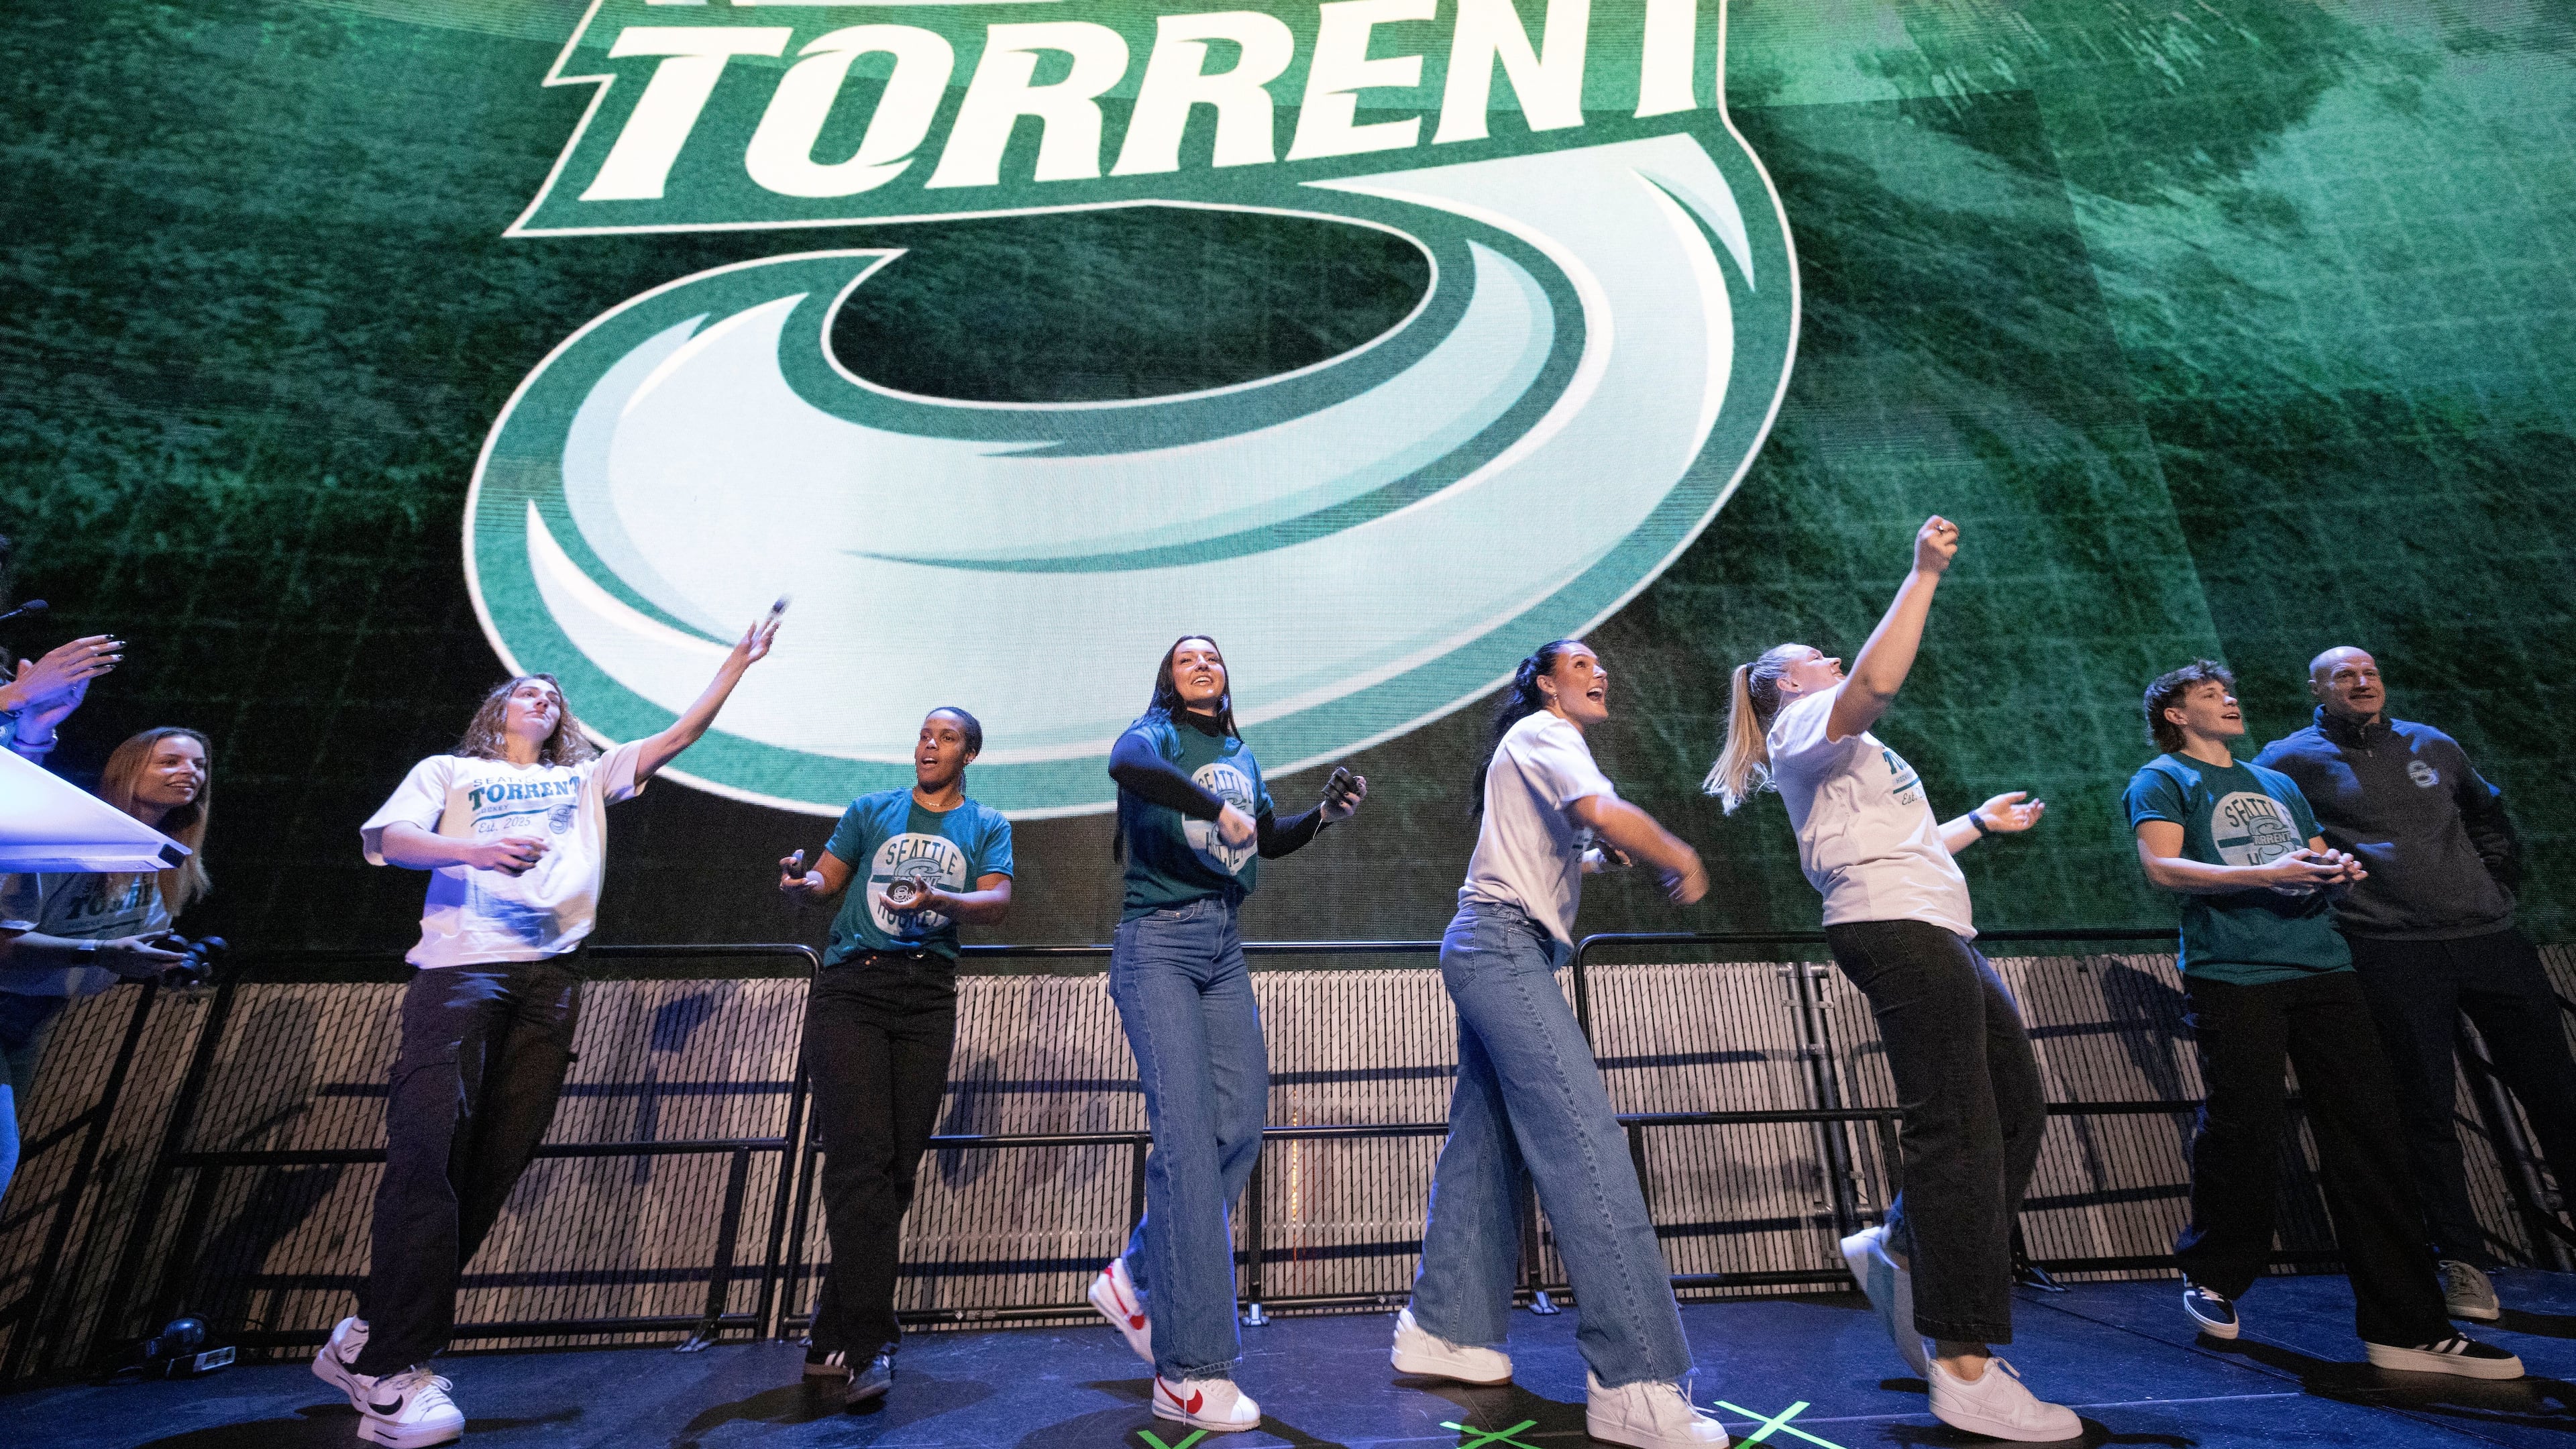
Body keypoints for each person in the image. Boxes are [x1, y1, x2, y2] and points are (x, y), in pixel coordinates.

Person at [311, 615, 778, 1449]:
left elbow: (680, 735)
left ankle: (372, 1332)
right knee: (430, 1151)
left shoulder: (585, 781)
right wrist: (477, 856)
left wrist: (736, 664)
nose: (543, 698)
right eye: (528, 689)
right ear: (497, 712)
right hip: (462, 971)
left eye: (554, 697)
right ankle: (390, 1377)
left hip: (552, 980)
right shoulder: (450, 771)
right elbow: (389, 840)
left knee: (495, 1161)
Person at [1709, 516, 2075, 1442]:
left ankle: (1901, 1244)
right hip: (1897, 932)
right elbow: (1875, 681)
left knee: (2016, 1109)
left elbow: (1890, 843)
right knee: (1957, 1127)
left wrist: (1975, 825)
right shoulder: (1803, 720)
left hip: (1932, 923)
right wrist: (1921, 574)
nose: (1829, 658)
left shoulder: (1849, 757)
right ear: (1785, 683)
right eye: (1812, 656)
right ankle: (1962, 1362)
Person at [2124, 659, 2521, 1379]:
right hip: (2235, 973)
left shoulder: (2277, 784)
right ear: (2177, 716)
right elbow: (2165, 868)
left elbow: (2307, 853)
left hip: (2326, 967)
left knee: (2373, 1136)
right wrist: (2266, 875)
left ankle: (2409, 1326)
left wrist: (2335, 867)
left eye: (2229, 692)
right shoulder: (2165, 778)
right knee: (2246, 1123)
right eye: (2211, 696)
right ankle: (2212, 1271)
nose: (2230, 701)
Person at [1399, 639, 1725, 1449]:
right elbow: (1600, 811)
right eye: (1582, 666)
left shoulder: (1534, 745)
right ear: (1546, 686)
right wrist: (1676, 851)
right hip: (1501, 949)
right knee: (1585, 1144)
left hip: (1495, 944)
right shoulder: (1549, 733)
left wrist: (1594, 857)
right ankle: (1636, 1380)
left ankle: (1443, 1329)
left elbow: (1567, 838)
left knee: (1485, 1148)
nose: (1600, 673)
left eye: (1600, 664)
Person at [1085, 635, 1364, 1436]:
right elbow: (1123, 766)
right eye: (1185, 658)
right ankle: (1190, 1372)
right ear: (1169, 680)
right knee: (1184, 1141)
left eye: (1212, 656)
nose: (1202, 663)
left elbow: (1265, 836)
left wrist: (1323, 816)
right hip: (1159, 945)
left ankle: (1136, 1277)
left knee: (1238, 1129)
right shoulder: (1157, 738)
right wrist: (1214, 807)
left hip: (1223, 944)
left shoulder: (1239, 751)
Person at [2255, 646, 2575, 1321]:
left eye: (2370, 673)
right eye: (2346, 676)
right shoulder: (2289, 758)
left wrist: (2493, 884)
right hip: (2392, 952)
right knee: (2425, 1112)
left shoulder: (2434, 744)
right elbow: (2263, 835)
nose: (2363, 683)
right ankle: (2463, 1265)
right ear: (2317, 688)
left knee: (2558, 1096)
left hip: (2490, 943)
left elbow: (2488, 816)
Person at [776, 707, 1013, 1405]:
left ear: (969, 752)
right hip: (853, 990)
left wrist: (944, 897)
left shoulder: (985, 825)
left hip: (928, 997)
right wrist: (801, 881)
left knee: (896, 1171)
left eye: (943, 738)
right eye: (922, 735)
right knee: (859, 1165)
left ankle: (829, 1339)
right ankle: (871, 1343)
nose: (927, 745)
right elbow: (826, 879)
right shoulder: (872, 810)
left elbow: (997, 901)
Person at [0, 729, 206, 1203]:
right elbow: (5, 944)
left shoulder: (163, 856)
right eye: (170, 761)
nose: (189, 773)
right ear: (129, 768)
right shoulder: (69, 837)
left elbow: (125, 948)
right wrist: (101, 953)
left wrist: (166, 962)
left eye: (199, 766)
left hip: (32, 1018)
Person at [0, 631, 121, 764]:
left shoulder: (9, 686)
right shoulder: (13, 694)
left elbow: (16, 780)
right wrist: (9, 697)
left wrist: (30, 734)